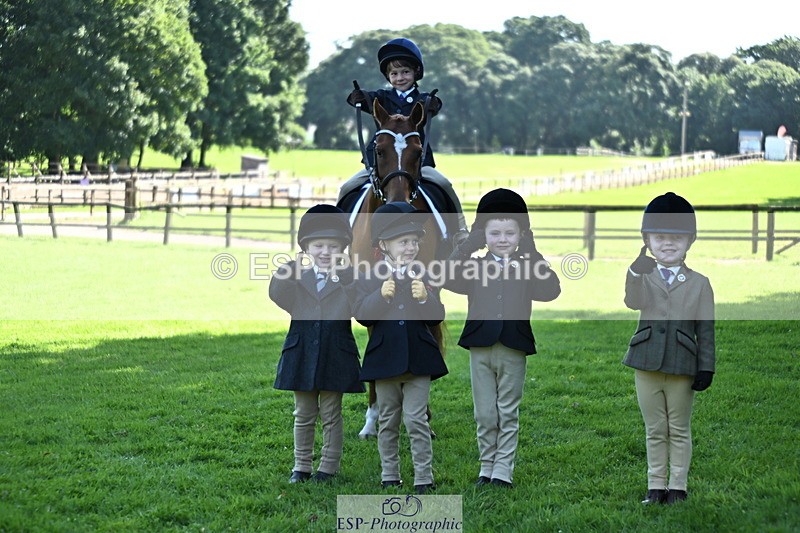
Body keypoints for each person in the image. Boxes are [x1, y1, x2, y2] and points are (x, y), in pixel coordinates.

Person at [443, 188, 561, 488]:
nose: (503, 239)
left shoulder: (528, 266)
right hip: (480, 347)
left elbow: (551, 291)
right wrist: (466, 247)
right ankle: (487, 467)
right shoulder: (474, 266)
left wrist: (534, 253)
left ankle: (503, 470)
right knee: (484, 413)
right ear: (484, 235)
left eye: (511, 232)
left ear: (522, 234)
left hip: (513, 346)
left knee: (507, 410)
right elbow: (444, 276)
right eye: (494, 233)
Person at [623, 192, 715, 505]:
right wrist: (635, 272)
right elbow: (633, 301)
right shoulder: (643, 275)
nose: (668, 244)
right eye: (659, 237)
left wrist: (707, 366)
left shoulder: (700, 283)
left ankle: (677, 488)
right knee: (654, 428)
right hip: (646, 362)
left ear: (690, 240)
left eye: (676, 237)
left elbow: (706, 329)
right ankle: (654, 487)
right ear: (646, 240)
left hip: (682, 366)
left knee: (678, 428)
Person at [353, 202, 448, 494]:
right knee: (389, 421)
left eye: (414, 241)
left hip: (419, 361)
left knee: (416, 419)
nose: (410, 247)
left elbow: (437, 316)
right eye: (403, 242)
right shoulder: (369, 276)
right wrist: (380, 297)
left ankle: (423, 476)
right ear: (383, 244)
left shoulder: (425, 274)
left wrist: (425, 299)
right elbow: (362, 315)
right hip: (384, 362)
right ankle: (389, 474)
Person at [269, 204, 364, 484]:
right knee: (303, 413)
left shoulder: (349, 278)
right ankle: (301, 466)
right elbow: (277, 294)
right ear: (307, 249)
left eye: (333, 247)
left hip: (336, 354)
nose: (325, 252)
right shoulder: (299, 278)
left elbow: (359, 306)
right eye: (318, 246)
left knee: (332, 413)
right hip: (301, 354)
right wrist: (292, 266)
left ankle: (328, 467)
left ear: (343, 251)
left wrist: (347, 276)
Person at [342, 37, 467, 242]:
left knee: (444, 184)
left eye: (405, 72)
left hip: (416, 163)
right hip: (380, 163)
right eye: (394, 73)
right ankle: (341, 233)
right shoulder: (380, 98)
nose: (400, 77)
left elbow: (434, 106)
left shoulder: (423, 100)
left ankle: (460, 230)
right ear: (388, 76)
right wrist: (355, 97)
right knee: (347, 187)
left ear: (416, 72)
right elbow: (362, 99)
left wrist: (434, 104)